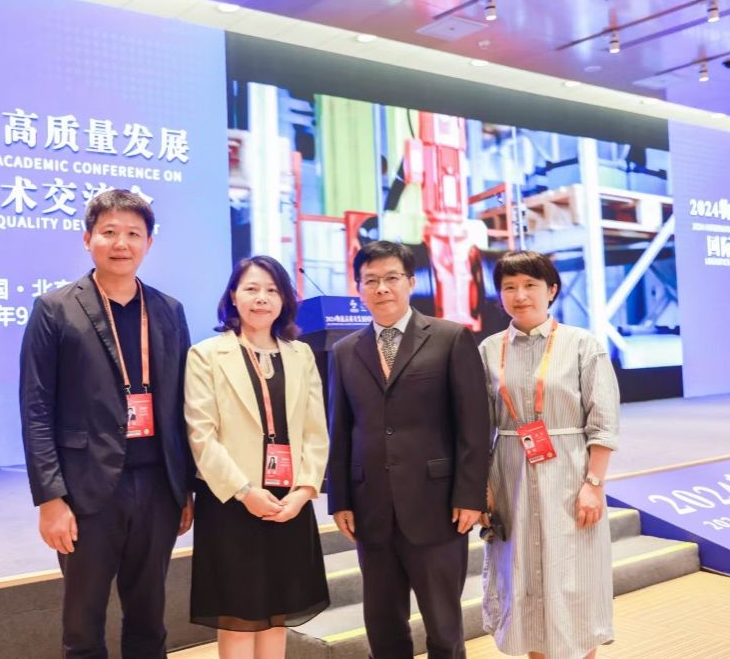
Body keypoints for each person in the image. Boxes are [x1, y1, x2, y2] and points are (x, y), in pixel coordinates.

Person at [19, 189, 195, 658]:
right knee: (83, 628)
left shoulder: (168, 311)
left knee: (149, 621)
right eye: (109, 232)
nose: (121, 243)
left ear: (148, 244)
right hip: (86, 491)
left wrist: (184, 488)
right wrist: (50, 499)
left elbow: (181, 405)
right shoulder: (55, 309)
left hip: (158, 487)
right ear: (87, 239)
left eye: (133, 234)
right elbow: (36, 410)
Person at [327, 240, 491, 658]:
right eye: (371, 280)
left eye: (391, 278)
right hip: (371, 508)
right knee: (383, 627)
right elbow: (340, 430)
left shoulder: (450, 338)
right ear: (359, 288)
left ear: (410, 282)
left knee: (444, 628)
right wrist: (340, 499)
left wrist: (470, 495)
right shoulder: (344, 351)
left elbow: (473, 425)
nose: (381, 288)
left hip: (437, 506)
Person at [185, 255, 330, 659]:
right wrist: (245, 491)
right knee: (238, 616)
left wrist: (304, 491)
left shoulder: (301, 354)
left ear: (284, 299)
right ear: (233, 296)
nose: (261, 298)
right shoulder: (206, 355)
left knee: (277, 613)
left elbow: (316, 431)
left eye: (271, 290)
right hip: (231, 501)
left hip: (288, 502)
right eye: (251, 289)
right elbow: (201, 435)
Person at [478, 249, 620, 659]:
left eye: (530, 285)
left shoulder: (582, 344)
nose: (520, 295)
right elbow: (479, 426)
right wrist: (483, 487)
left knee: (575, 578)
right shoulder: (488, 349)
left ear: (552, 290)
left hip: (570, 475)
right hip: (510, 477)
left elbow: (603, 421)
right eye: (509, 287)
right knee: (523, 579)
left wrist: (594, 484)